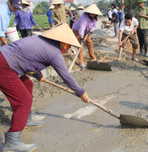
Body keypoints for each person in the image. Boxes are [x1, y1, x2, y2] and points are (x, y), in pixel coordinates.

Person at [0, 23, 89, 151]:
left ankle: (25, 118)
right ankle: (12, 141)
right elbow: (66, 76)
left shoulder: (41, 39)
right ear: (62, 42)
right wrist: (81, 93)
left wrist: (37, 74)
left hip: (5, 58)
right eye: (68, 45)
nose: (68, 48)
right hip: (4, 66)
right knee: (24, 100)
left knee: (27, 84)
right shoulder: (54, 53)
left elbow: (29, 59)